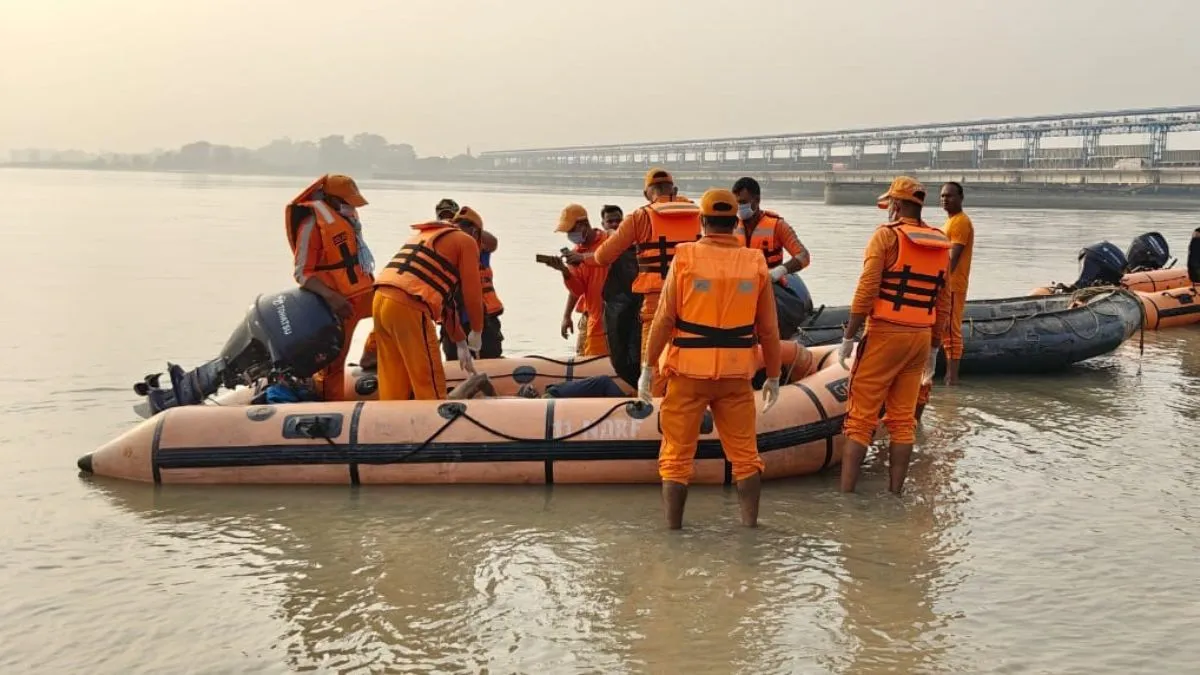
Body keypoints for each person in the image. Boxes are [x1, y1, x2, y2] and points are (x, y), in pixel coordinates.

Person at [642, 188, 783, 530]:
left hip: (688, 374)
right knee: (746, 459)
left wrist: (647, 367)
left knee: (676, 458)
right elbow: (769, 328)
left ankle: (673, 533)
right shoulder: (755, 261)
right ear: (735, 222)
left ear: (702, 221)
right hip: (736, 377)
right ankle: (750, 527)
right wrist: (775, 375)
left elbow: (663, 319)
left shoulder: (685, 256)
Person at [838, 176, 951, 495]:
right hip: (919, 338)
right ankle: (895, 493)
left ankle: (847, 495)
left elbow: (867, 289)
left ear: (898, 205)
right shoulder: (940, 242)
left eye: (890, 205)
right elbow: (944, 300)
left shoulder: (885, 238)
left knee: (860, 418)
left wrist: (849, 334)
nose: (888, 210)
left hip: (886, 334)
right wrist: (933, 346)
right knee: (903, 420)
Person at [568, 168, 702, 397]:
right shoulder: (699, 214)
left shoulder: (640, 217)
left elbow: (603, 256)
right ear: (674, 189)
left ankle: (657, 416)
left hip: (656, 304)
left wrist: (583, 258)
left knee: (651, 369)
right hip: (694, 302)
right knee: (693, 360)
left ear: (646, 193)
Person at [285, 174, 378, 401]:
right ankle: (330, 406)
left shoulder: (348, 218)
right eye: (346, 201)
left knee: (395, 317)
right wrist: (332, 298)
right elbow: (302, 273)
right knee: (333, 364)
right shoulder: (311, 225)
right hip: (338, 304)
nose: (350, 206)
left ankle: (370, 355)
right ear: (329, 198)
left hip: (364, 292)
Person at [372, 215, 485, 400]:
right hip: (409, 304)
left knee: (393, 376)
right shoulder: (466, 241)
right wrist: (477, 330)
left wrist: (460, 342)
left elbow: (446, 300)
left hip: (380, 298)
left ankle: (391, 421)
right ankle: (435, 419)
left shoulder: (428, 235)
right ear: (474, 232)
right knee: (428, 378)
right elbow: (473, 293)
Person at [541, 204, 611, 356]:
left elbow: (607, 257)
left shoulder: (609, 240)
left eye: (572, 230)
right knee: (585, 358)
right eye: (568, 232)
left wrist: (584, 258)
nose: (570, 234)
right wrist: (564, 271)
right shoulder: (575, 253)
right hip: (593, 316)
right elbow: (578, 290)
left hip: (613, 315)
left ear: (584, 224)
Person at [440, 206, 505, 360]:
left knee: (490, 356)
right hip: (453, 319)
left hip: (483, 320)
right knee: (454, 359)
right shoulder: (445, 248)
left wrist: (469, 229)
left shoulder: (480, 250)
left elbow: (493, 242)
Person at [731, 176, 812, 280]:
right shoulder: (730, 226)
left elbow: (803, 256)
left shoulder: (778, 225)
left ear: (757, 200)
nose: (739, 207)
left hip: (771, 284)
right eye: (736, 203)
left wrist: (779, 271)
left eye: (743, 202)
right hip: (739, 284)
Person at [938, 182, 973, 385]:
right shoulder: (949, 223)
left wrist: (940, 282)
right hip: (947, 285)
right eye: (942, 196)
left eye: (949, 196)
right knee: (945, 329)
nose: (945, 199)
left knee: (951, 330)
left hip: (953, 285)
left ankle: (953, 377)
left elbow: (953, 258)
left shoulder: (960, 222)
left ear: (960, 198)